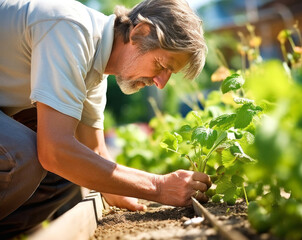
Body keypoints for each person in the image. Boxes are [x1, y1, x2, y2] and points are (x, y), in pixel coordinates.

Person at [0, 0, 210, 237]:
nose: (161, 84)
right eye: (161, 65)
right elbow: (55, 151)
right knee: (19, 155)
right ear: (139, 33)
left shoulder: (95, 68)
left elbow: (94, 151)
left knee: (68, 175)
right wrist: (158, 187)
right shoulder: (71, 30)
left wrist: (121, 188)